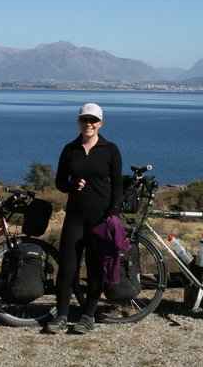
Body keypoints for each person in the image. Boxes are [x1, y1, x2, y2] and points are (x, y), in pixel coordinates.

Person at [44, 102, 123, 334]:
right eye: (84, 120)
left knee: (95, 268)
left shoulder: (110, 149)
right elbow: (59, 182)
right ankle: (61, 316)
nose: (88, 124)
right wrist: (71, 185)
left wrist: (114, 210)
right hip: (75, 217)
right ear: (78, 122)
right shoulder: (70, 149)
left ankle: (88, 316)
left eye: (93, 120)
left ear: (101, 123)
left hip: (100, 218)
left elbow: (117, 183)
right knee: (68, 268)